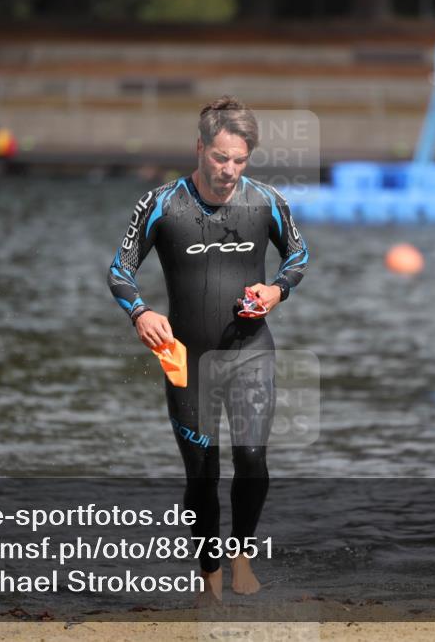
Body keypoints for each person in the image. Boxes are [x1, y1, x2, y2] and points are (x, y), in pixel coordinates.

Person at [107, 96, 309, 603]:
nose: (229, 170)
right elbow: (119, 269)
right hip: (188, 361)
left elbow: (298, 255)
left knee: (252, 458)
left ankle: (240, 554)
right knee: (203, 472)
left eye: (240, 160)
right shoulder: (160, 204)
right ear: (200, 148)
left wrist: (276, 290)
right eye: (220, 157)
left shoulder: (265, 201)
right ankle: (209, 575)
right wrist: (141, 312)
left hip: (251, 352)